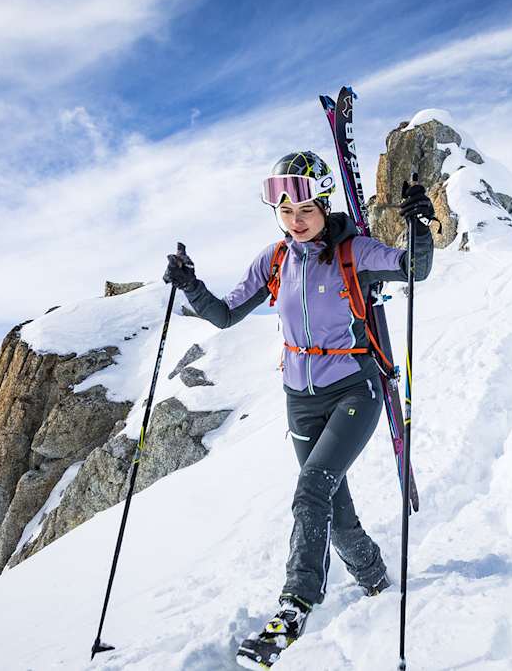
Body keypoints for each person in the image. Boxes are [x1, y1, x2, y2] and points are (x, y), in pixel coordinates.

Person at [162, 151, 434, 669]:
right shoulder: (275, 260)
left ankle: (296, 603)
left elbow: (413, 268)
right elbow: (222, 315)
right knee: (334, 509)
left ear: (323, 203)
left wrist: (418, 226)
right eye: (286, 212)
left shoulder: (355, 251)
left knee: (312, 489)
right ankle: (376, 578)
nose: (296, 220)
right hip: (299, 399)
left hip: (354, 390)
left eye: (305, 209)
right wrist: (190, 283)